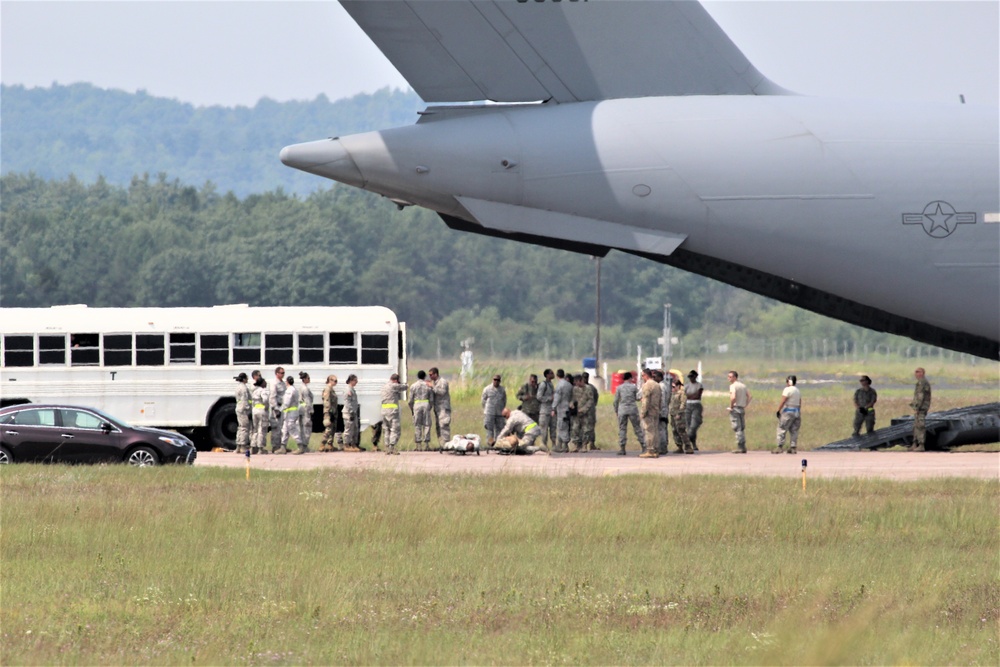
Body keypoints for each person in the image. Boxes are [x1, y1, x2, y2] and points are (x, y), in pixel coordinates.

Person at [613, 372, 645, 456]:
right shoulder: (633, 387)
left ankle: (622, 448)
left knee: (622, 429)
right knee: (637, 428)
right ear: (630, 378)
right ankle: (644, 446)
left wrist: (616, 411)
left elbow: (616, 401)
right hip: (632, 409)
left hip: (622, 409)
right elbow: (638, 398)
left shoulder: (619, 388)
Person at [774, 375, 801, 454]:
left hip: (788, 411)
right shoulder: (797, 390)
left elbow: (783, 400)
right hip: (796, 411)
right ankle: (793, 447)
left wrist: (778, 410)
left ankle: (779, 447)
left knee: (781, 429)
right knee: (794, 430)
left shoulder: (787, 390)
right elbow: (800, 402)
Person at [638, 368, 662, 459]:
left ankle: (650, 450)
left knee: (649, 431)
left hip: (649, 411)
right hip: (656, 410)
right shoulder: (657, 385)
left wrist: (643, 412)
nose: (642, 377)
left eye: (642, 375)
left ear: (646, 375)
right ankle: (655, 449)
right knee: (655, 430)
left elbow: (646, 400)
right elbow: (660, 399)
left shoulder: (647, 385)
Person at [408, 370, 434, 451]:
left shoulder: (413, 386)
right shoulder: (428, 385)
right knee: (427, 424)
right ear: (424, 376)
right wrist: (429, 407)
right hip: (426, 404)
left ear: (418, 376)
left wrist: (412, 409)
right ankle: (427, 445)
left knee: (417, 424)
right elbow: (432, 399)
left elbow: (410, 400)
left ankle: (418, 445)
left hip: (417, 405)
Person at [727, 370, 752, 453]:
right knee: (741, 427)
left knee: (737, 428)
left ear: (735, 377)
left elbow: (733, 397)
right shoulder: (743, 386)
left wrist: (731, 406)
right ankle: (743, 446)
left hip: (735, 408)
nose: (728, 378)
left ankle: (740, 446)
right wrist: (745, 404)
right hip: (741, 408)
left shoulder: (733, 386)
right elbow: (749, 396)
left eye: (730, 377)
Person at [380, 373, 405, 455]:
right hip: (392, 411)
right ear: (395, 380)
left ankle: (387, 447)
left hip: (384, 411)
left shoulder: (384, 386)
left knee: (386, 430)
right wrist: (402, 383)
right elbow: (405, 387)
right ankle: (392, 447)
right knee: (395, 430)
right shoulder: (394, 385)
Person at [481, 374, 507, 447]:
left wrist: (502, 409)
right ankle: (490, 445)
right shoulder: (487, 389)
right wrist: (486, 409)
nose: (496, 381)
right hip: (489, 413)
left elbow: (504, 400)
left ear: (500, 381)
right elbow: (483, 400)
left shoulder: (502, 390)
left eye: (498, 380)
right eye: (494, 379)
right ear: (492, 380)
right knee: (489, 430)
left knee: (500, 430)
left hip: (499, 413)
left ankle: (498, 445)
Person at [428, 367, 451, 449]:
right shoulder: (434, 382)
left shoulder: (442, 382)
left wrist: (432, 387)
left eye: (431, 375)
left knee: (444, 425)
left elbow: (442, 392)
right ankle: (442, 445)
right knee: (438, 427)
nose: (430, 376)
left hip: (443, 407)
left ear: (436, 374)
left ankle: (447, 444)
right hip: (437, 408)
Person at [670, 379, 695, 454]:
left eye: (674, 386)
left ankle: (688, 447)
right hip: (673, 414)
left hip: (679, 415)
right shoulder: (674, 393)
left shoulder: (682, 393)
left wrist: (679, 413)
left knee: (681, 431)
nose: (672, 388)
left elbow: (683, 404)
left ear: (678, 386)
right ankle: (679, 446)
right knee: (675, 431)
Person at [909, 367, 932, 451]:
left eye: (918, 372)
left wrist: (918, 407)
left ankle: (921, 444)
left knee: (920, 425)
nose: (916, 374)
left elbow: (920, 396)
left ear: (922, 373)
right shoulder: (919, 382)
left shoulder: (923, 382)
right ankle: (915, 443)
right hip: (918, 407)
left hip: (921, 407)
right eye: (916, 372)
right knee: (916, 425)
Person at [278, 375, 301, 455]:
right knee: (285, 430)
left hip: (290, 413)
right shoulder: (293, 389)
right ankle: (283, 447)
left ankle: (300, 445)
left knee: (291, 428)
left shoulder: (290, 390)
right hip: (289, 412)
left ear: (287, 382)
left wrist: (279, 410)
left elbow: (286, 403)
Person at [551, 369, 573, 453]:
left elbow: (557, 398)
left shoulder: (559, 385)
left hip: (561, 409)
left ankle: (564, 445)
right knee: (565, 426)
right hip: (568, 408)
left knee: (561, 426)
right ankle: (559, 445)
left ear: (557, 376)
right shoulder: (569, 385)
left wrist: (553, 408)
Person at [267, 366, 286, 452]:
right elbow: (272, 397)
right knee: (276, 428)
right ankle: (275, 446)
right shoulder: (274, 383)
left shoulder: (283, 383)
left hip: (282, 407)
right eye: (281, 373)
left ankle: (280, 446)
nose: (283, 374)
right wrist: (275, 409)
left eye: (283, 373)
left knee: (282, 428)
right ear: (277, 373)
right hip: (277, 408)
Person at [320, 375, 341, 452]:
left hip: (334, 411)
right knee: (329, 428)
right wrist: (329, 412)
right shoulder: (327, 389)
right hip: (329, 412)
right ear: (330, 380)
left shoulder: (332, 389)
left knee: (333, 428)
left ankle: (330, 444)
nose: (336, 382)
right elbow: (326, 401)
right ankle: (322, 444)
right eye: (335, 381)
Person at [341, 374, 362, 452]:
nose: (356, 382)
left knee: (354, 429)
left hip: (353, 412)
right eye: (355, 380)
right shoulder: (348, 390)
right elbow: (347, 402)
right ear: (351, 380)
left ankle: (353, 445)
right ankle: (346, 445)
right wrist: (351, 412)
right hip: (349, 413)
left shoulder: (352, 389)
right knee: (348, 429)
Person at [536, 369, 555, 451]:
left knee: (553, 428)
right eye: (551, 373)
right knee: (544, 429)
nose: (553, 374)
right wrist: (550, 398)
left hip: (551, 410)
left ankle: (554, 445)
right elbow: (539, 397)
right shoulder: (543, 385)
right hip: (544, 410)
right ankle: (543, 445)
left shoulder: (550, 384)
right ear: (547, 375)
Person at [570, 374, 589, 452]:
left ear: (581, 381)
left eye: (577, 382)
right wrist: (571, 404)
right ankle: (576, 445)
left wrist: (584, 409)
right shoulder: (574, 389)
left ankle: (584, 445)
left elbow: (590, 401)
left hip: (584, 413)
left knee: (585, 429)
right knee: (575, 429)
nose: (575, 383)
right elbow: (572, 398)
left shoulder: (588, 389)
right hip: (576, 412)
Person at [685, 370, 703, 451]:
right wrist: (690, 396)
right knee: (688, 426)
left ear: (696, 376)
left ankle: (687, 440)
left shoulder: (699, 385)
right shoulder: (687, 386)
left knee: (693, 426)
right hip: (687, 406)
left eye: (692, 376)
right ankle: (692, 444)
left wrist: (689, 396)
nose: (690, 378)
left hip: (696, 405)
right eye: (689, 377)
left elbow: (697, 396)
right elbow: (685, 396)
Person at [653, 370, 671, 454]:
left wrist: (660, 411)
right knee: (663, 429)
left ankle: (662, 448)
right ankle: (663, 446)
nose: (654, 379)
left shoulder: (661, 386)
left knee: (661, 430)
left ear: (659, 377)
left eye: (655, 377)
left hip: (662, 410)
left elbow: (663, 399)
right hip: (665, 409)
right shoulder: (666, 385)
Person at [234, 372, 252, 454]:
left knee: (240, 427)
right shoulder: (244, 388)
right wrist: (248, 410)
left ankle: (238, 446)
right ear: (244, 379)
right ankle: (243, 446)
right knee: (245, 427)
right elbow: (245, 400)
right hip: (243, 409)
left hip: (238, 407)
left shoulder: (238, 387)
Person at [250, 377, 269, 455]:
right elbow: (265, 400)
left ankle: (253, 447)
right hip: (261, 410)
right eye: (264, 382)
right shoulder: (262, 391)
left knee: (255, 429)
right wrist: (266, 407)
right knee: (261, 429)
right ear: (262, 383)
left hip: (254, 410)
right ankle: (260, 449)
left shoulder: (254, 391)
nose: (266, 383)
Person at [297, 372, 314, 453]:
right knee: (307, 427)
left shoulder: (301, 387)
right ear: (304, 379)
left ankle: (303, 445)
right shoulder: (305, 389)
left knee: (302, 428)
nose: (309, 379)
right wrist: (310, 410)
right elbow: (307, 401)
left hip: (301, 409)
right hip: (306, 410)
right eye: (308, 378)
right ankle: (305, 445)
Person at [584, 372, 600, 450]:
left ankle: (587, 444)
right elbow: (596, 398)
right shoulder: (592, 387)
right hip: (590, 410)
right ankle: (591, 443)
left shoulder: (581, 387)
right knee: (590, 427)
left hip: (586, 410)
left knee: (586, 427)